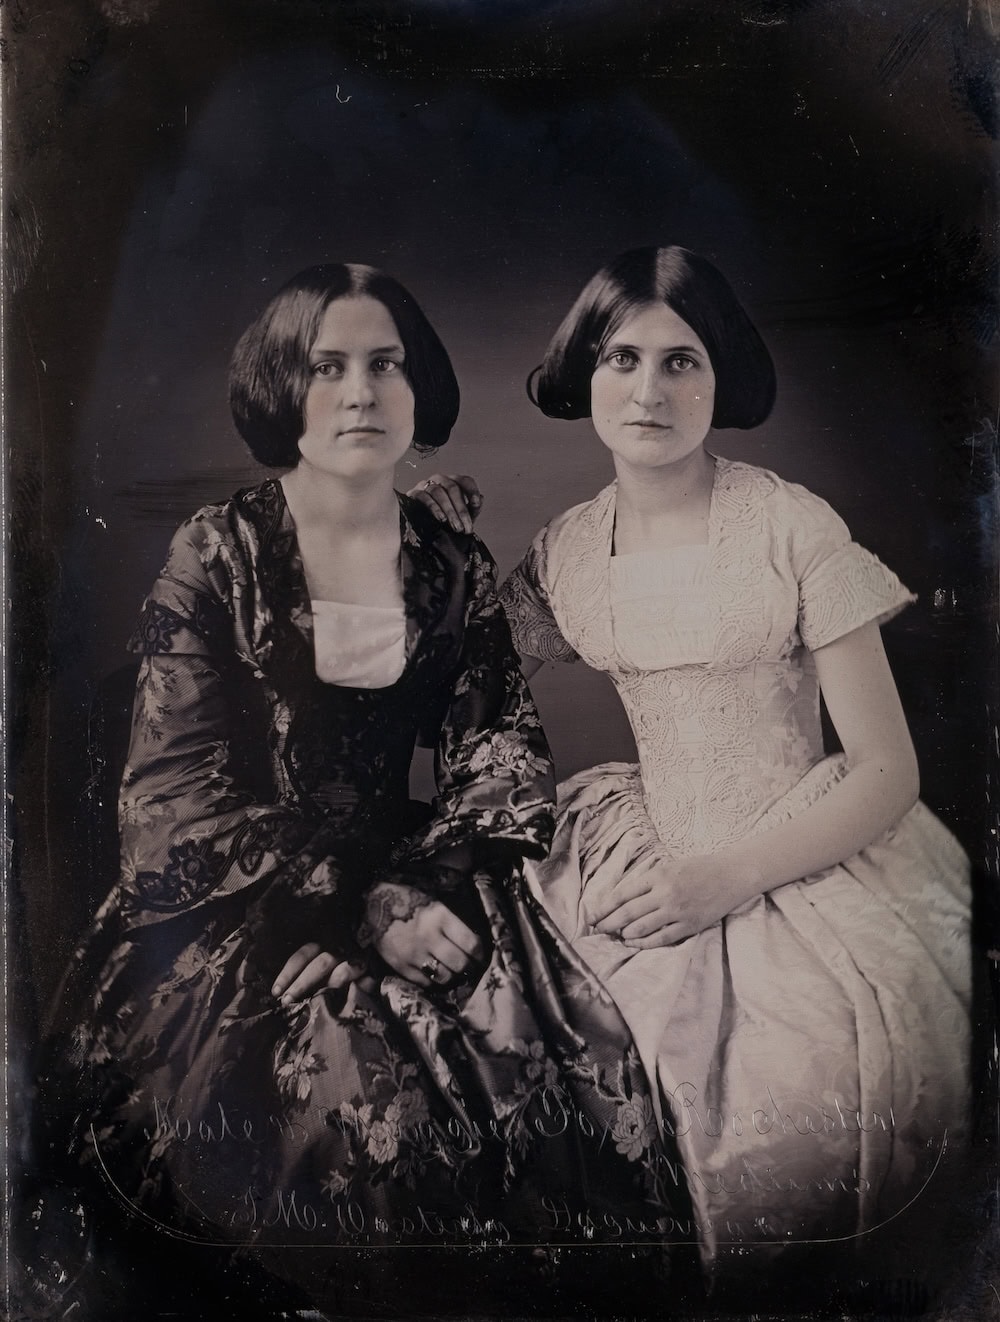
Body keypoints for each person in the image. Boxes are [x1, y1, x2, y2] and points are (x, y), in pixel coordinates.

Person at [33, 263, 692, 1317]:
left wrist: (413, 885)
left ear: (416, 385)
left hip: (417, 871)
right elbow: (169, 799)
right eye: (326, 366)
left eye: (384, 364)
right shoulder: (217, 554)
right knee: (340, 1093)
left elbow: (499, 752)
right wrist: (343, 902)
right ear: (282, 390)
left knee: (561, 1072)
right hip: (237, 905)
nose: (359, 392)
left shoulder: (453, 562)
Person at [411, 245, 973, 1294]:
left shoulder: (789, 525)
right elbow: (454, 663)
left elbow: (886, 768)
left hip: (804, 852)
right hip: (631, 842)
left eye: (682, 361)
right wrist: (424, 547)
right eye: (621, 359)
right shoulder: (571, 547)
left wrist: (725, 877)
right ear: (584, 375)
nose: (648, 390)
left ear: (721, 379)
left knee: (789, 1106)